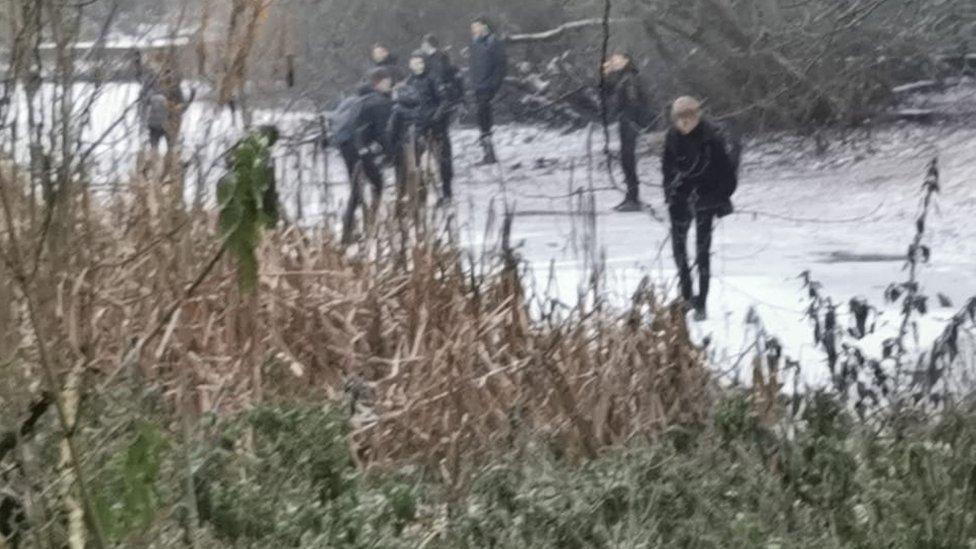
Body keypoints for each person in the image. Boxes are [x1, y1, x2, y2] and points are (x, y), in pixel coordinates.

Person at [662, 96, 738, 321]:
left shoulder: (711, 138)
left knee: (702, 252)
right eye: (680, 117)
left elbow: (728, 177)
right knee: (679, 251)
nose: (685, 122)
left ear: (697, 115)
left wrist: (715, 198)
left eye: (689, 116)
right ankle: (686, 296)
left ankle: (702, 302)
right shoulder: (672, 137)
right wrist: (670, 194)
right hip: (680, 199)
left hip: (706, 198)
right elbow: (667, 171)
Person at [333, 68, 395, 244]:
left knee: (357, 188)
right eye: (388, 82)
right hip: (360, 148)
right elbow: (382, 133)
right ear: (380, 83)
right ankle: (369, 227)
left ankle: (350, 231)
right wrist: (389, 154)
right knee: (377, 183)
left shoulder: (356, 98)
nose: (390, 86)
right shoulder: (379, 102)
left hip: (346, 146)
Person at [388, 51, 456, 204]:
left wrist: (436, 117)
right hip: (418, 126)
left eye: (420, 63)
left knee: (443, 159)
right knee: (413, 159)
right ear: (410, 65)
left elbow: (445, 101)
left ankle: (447, 193)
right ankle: (417, 192)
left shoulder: (433, 79)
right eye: (414, 63)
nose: (418, 67)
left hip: (436, 125)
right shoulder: (409, 82)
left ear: (425, 64)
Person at [603, 53, 653, 212]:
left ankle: (633, 198)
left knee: (628, 160)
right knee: (627, 160)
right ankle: (631, 196)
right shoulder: (626, 78)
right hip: (628, 122)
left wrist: (629, 119)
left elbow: (633, 102)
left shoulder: (629, 79)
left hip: (629, 123)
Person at [469, 16, 507, 165]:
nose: (473, 30)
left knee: (485, 118)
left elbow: (501, 67)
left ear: (484, 26)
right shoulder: (476, 43)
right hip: (478, 87)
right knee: (481, 119)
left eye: (475, 27)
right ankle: (488, 154)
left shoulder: (494, 42)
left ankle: (489, 154)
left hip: (488, 87)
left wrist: (494, 86)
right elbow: (474, 67)